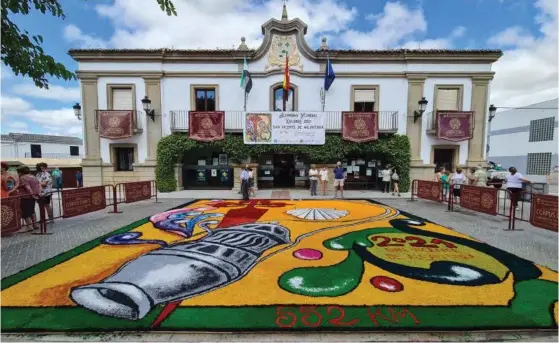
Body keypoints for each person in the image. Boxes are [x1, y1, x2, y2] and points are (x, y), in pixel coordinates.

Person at [17, 166, 41, 231]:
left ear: (21, 172)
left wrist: (31, 194)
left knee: (26, 212)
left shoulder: (23, 178)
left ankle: (29, 226)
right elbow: (38, 185)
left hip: (26, 196)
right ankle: (35, 224)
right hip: (34, 196)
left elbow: (27, 187)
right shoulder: (33, 176)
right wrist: (36, 195)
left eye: (18, 172)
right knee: (32, 210)